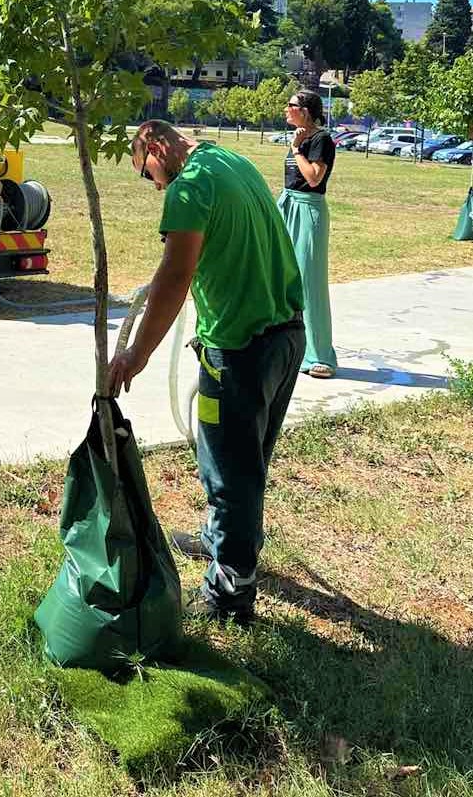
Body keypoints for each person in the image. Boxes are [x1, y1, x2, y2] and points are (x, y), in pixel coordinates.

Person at [107, 120, 306, 625]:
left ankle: (229, 594)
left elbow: (176, 276)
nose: (155, 186)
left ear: (156, 148)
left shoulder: (190, 185)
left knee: (229, 473)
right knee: (247, 462)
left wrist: (136, 355)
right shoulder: (230, 161)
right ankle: (227, 542)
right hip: (284, 337)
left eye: (148, 173)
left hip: (239, 353)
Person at [278, 90, 337, 378]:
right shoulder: (300, 139)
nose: (285, 109)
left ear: (305, 111)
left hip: (308, 209)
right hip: (287, 205)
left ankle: (319, 355)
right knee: (281, 277)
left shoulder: (320, 139)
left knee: (309, 282)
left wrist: (297, 149)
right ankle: (286, 348)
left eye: (290, 105)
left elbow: (314, 178)